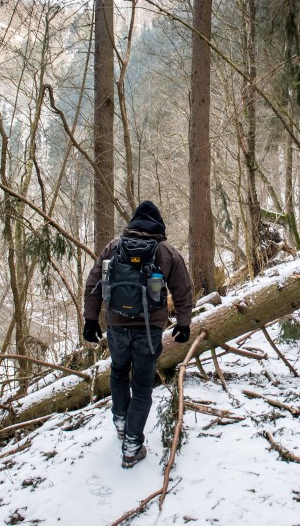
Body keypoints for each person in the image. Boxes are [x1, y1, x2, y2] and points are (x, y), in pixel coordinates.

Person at [82, 200, 194, 468]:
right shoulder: (166, 251)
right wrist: (183, 323)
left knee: (119, 372)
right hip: (149, 328)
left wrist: (90, 320)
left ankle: (121, 421)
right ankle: (132, 445)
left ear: (133, 222)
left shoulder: (114, 247)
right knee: (142, 384)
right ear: (159, 225)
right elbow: (183, 289)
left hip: (117, 325)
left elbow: (93, 283)